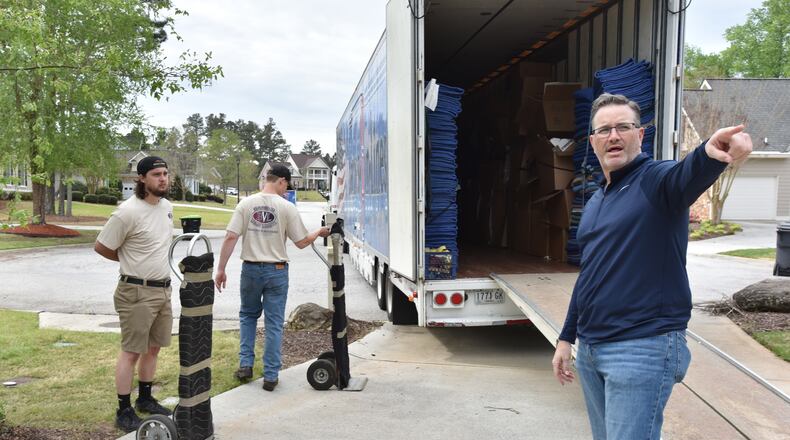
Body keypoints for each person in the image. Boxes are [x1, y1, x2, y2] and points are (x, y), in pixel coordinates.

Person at [552, 93, 752, 439]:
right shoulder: (598, 199)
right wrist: (566, 337)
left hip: (641, 346)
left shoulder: (655, 181)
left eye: (623, 127)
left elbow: (686, 174)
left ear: (640, 135)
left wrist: (710, 152)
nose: (613, 136)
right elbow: (589, 275)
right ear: (593, 142)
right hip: (592, 349)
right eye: (604, 130)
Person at [214, 164, 329, 391]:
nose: (287, 189)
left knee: (247, 316)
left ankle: (245, 365)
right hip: (276, 270)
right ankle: (270, 375)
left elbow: (230, 237)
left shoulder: (245, 204)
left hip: (251, 268)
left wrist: (221, 269)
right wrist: (319, 232)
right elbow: (301, 242)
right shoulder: (286, 207)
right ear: (281, 181)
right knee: (274, 323)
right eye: (287, 185)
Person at [94, 156, 175, 432]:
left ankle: (146, 398)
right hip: (136, 291)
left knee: (153, 348)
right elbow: (102, 246)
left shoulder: (166, 207)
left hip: (162, 290)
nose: (163, 179)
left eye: (165, 174)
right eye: (156, 174)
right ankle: (124, 409)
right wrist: (130, 261)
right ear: (141, 178)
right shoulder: (127, 212)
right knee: (131, 352)